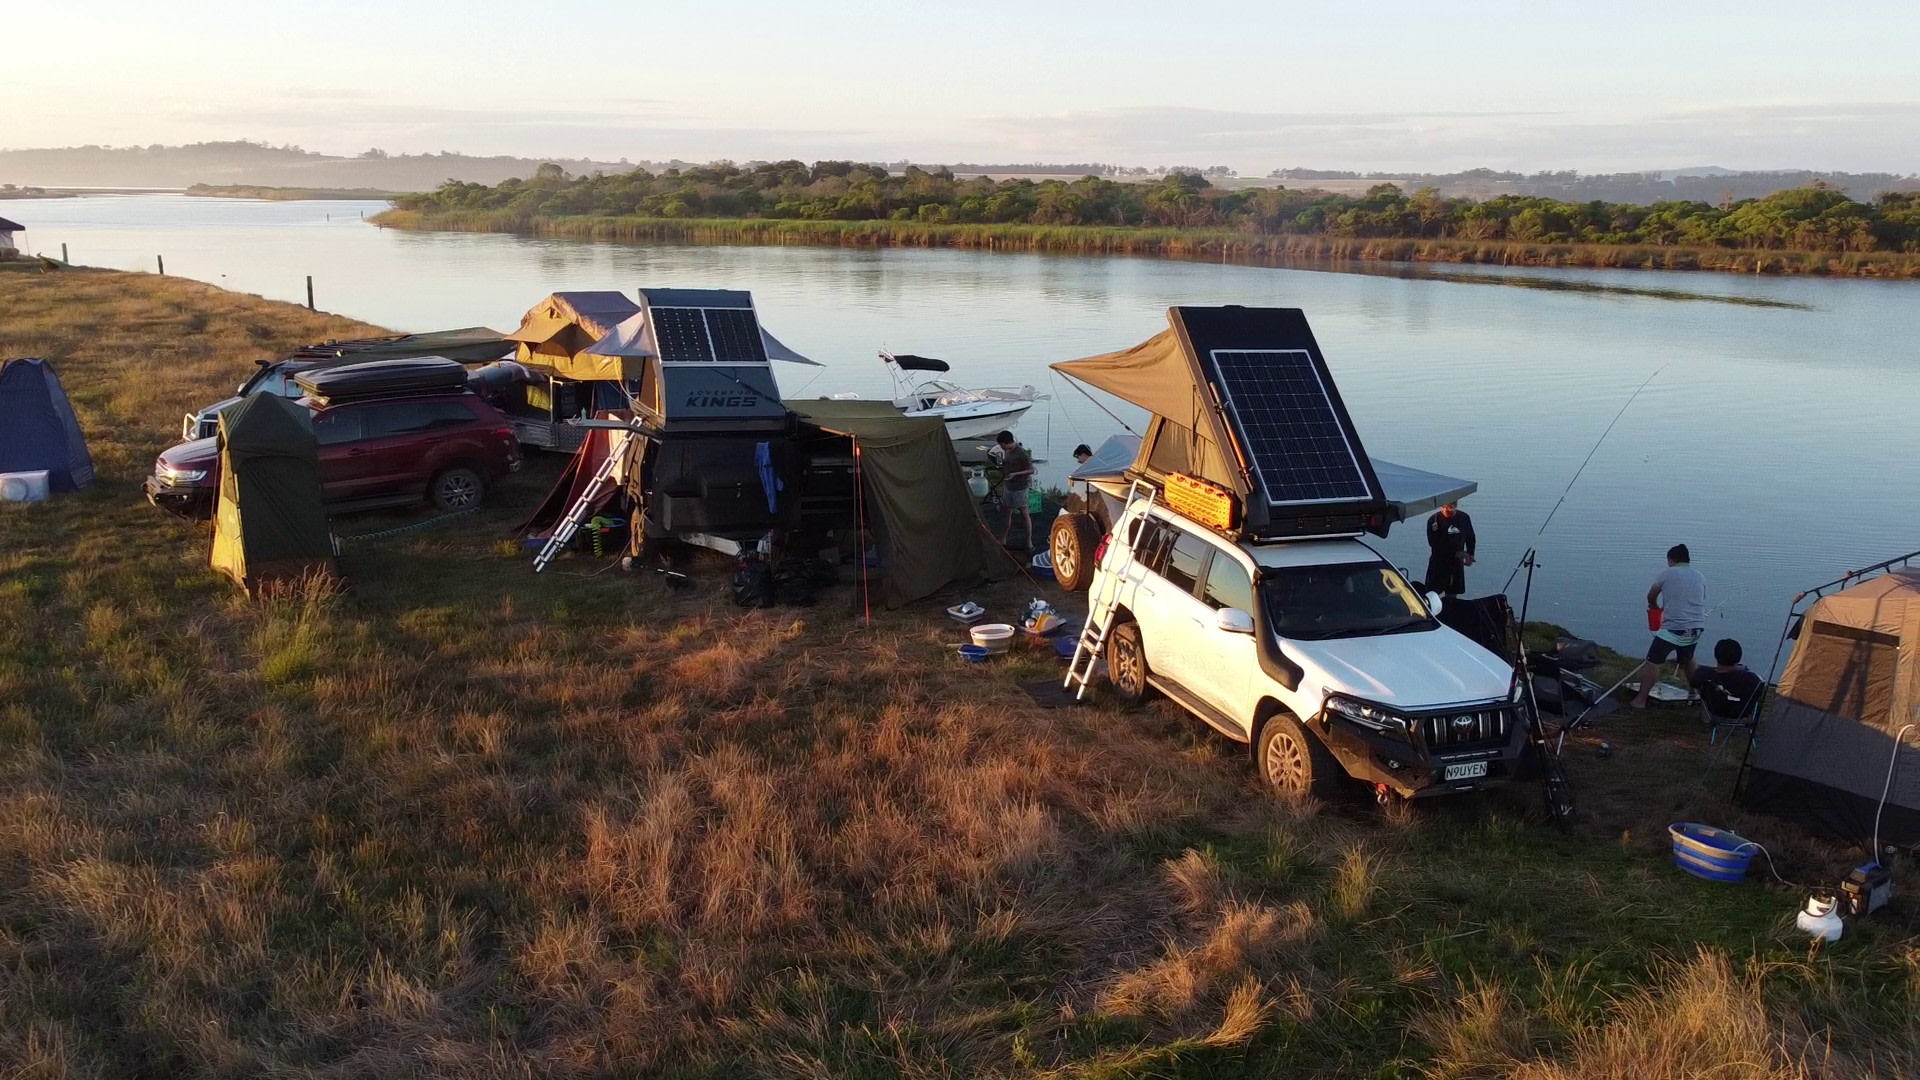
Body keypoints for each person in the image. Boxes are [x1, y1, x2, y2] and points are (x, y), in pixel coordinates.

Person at [1631, 544, 1709, 708]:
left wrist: (1654, 607)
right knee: (1687, 659)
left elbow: (1651, 595)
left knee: (1653, 662)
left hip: (1673, 628)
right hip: (1696, 628)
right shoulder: (1700, 576)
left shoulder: (1667, 573)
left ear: (1671, 560)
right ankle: (1697, 694)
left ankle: (1640, 700)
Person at [1691, 638, 1765, 725]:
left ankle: (1703, 717)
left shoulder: (1703, 674)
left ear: (1716, 655)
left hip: (1715, 713)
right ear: (1738, 658)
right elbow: (1759, 692)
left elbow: (1694, 683)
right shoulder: (1751, 679)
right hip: (1742, 714)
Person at [1423, 502, 1475, 597]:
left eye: (1451, 510)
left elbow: (1470, 537)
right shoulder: (1433, 521)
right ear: (1442, 507)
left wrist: (1471, 554)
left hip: (1456, 563)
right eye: (1446, 510)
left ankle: (1451, 607)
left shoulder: (1464, 518)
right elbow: (1433, 544)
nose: (1448, 513)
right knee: (1432, 593)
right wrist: (1455, 553)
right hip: (1438, 562)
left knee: (1453, 593)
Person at [995, 430, 1035, 549]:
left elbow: (1031, 470)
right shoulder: (1007, 451)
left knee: (1024, 514)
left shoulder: (1021, 453)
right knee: (1006, 513)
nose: (1001, 447)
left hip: (1020, 487)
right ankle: (1003, 539)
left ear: (1006, 443)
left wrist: (1016, 474)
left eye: (1002, 445)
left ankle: (1029, 541)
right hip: (1009, 486)